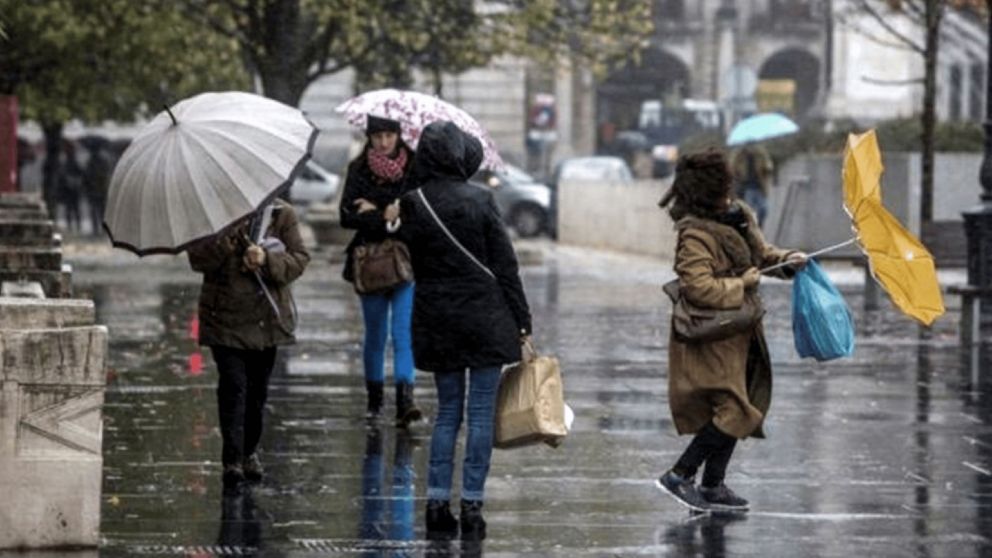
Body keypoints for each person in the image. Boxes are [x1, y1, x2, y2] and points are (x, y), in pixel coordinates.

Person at [393, 121, 532, 540]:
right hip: (485, 318)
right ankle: (472, 504)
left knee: (447, 413)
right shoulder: (480, 199)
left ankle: (437, 503)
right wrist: (523, 322)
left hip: (438, 318)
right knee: (480, 414)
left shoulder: (412, 203)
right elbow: (505, 265)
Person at [656, 150, 806, 512]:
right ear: (710, 190)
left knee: (741, 401)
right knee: (735, 409)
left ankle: (712, 484)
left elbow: (762, 254)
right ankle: (679, 475)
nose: (730, 187)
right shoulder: (695, 235)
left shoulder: (739, 215)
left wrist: (788, 261)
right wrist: (742, 283)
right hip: (711, 333)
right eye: (723, 183)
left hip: (741, 328)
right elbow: (699, 288)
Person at [187, 198, 310, 491]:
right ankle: (232, 458)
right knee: (233, 385)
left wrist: (267, 260)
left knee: (257, 391)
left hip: (265, 320)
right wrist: (226, 243)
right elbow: (198, 260)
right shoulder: (212, 214)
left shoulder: (281, 214)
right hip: (224, 318)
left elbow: (299, 259)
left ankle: (249, 451)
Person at [340, 114, 422, 427]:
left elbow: (418, 216)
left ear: (399, 136)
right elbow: (346, 216)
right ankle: (375, 400)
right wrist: (382, 215)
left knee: (403, 333)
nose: (384, 142)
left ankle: (406, 401)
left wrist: (383, 212)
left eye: (389, 136)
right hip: (369, 263)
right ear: (369, 138)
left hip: (404, 264)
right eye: (377, 137)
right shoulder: (358, 169)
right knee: (375, 334)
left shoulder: (415, 169)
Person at [730, 144, 773, 227]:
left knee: (763, 209)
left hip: (760, 187)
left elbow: (768, 166)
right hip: (746, 188)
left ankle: (759, 226)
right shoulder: (739, 155)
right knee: (749, 211)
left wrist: (766, 169)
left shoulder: (760, 154)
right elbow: (732, 169)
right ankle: (752, 228)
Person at [82, 141, 112, 236]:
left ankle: (97, 229)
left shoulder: (91, 161)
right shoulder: (102, 161)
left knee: (96, 211)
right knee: (100, 211)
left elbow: (86, 176)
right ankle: (101, 229)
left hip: (95, 190)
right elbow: (107, 175)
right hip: (99, 190)